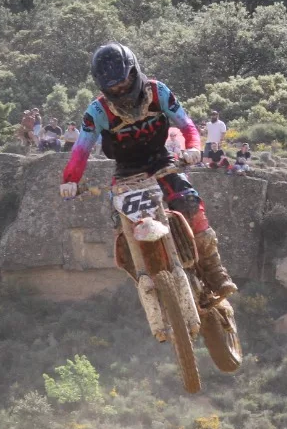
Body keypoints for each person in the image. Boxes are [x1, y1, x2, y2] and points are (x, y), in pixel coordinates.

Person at [58, 43, 236, 299]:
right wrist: (70, 180)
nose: (120, 89)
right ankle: (150, 283)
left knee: (189, 202)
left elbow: (187, 126)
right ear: (102, 86)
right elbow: (80, 151)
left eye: (124, 81)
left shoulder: (158, 91)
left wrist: (193, 148)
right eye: (113, 87)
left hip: (161, 160)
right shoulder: (96, 112)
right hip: (126, 171)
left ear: (134, 71)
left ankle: (215, 270)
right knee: (122, 229)